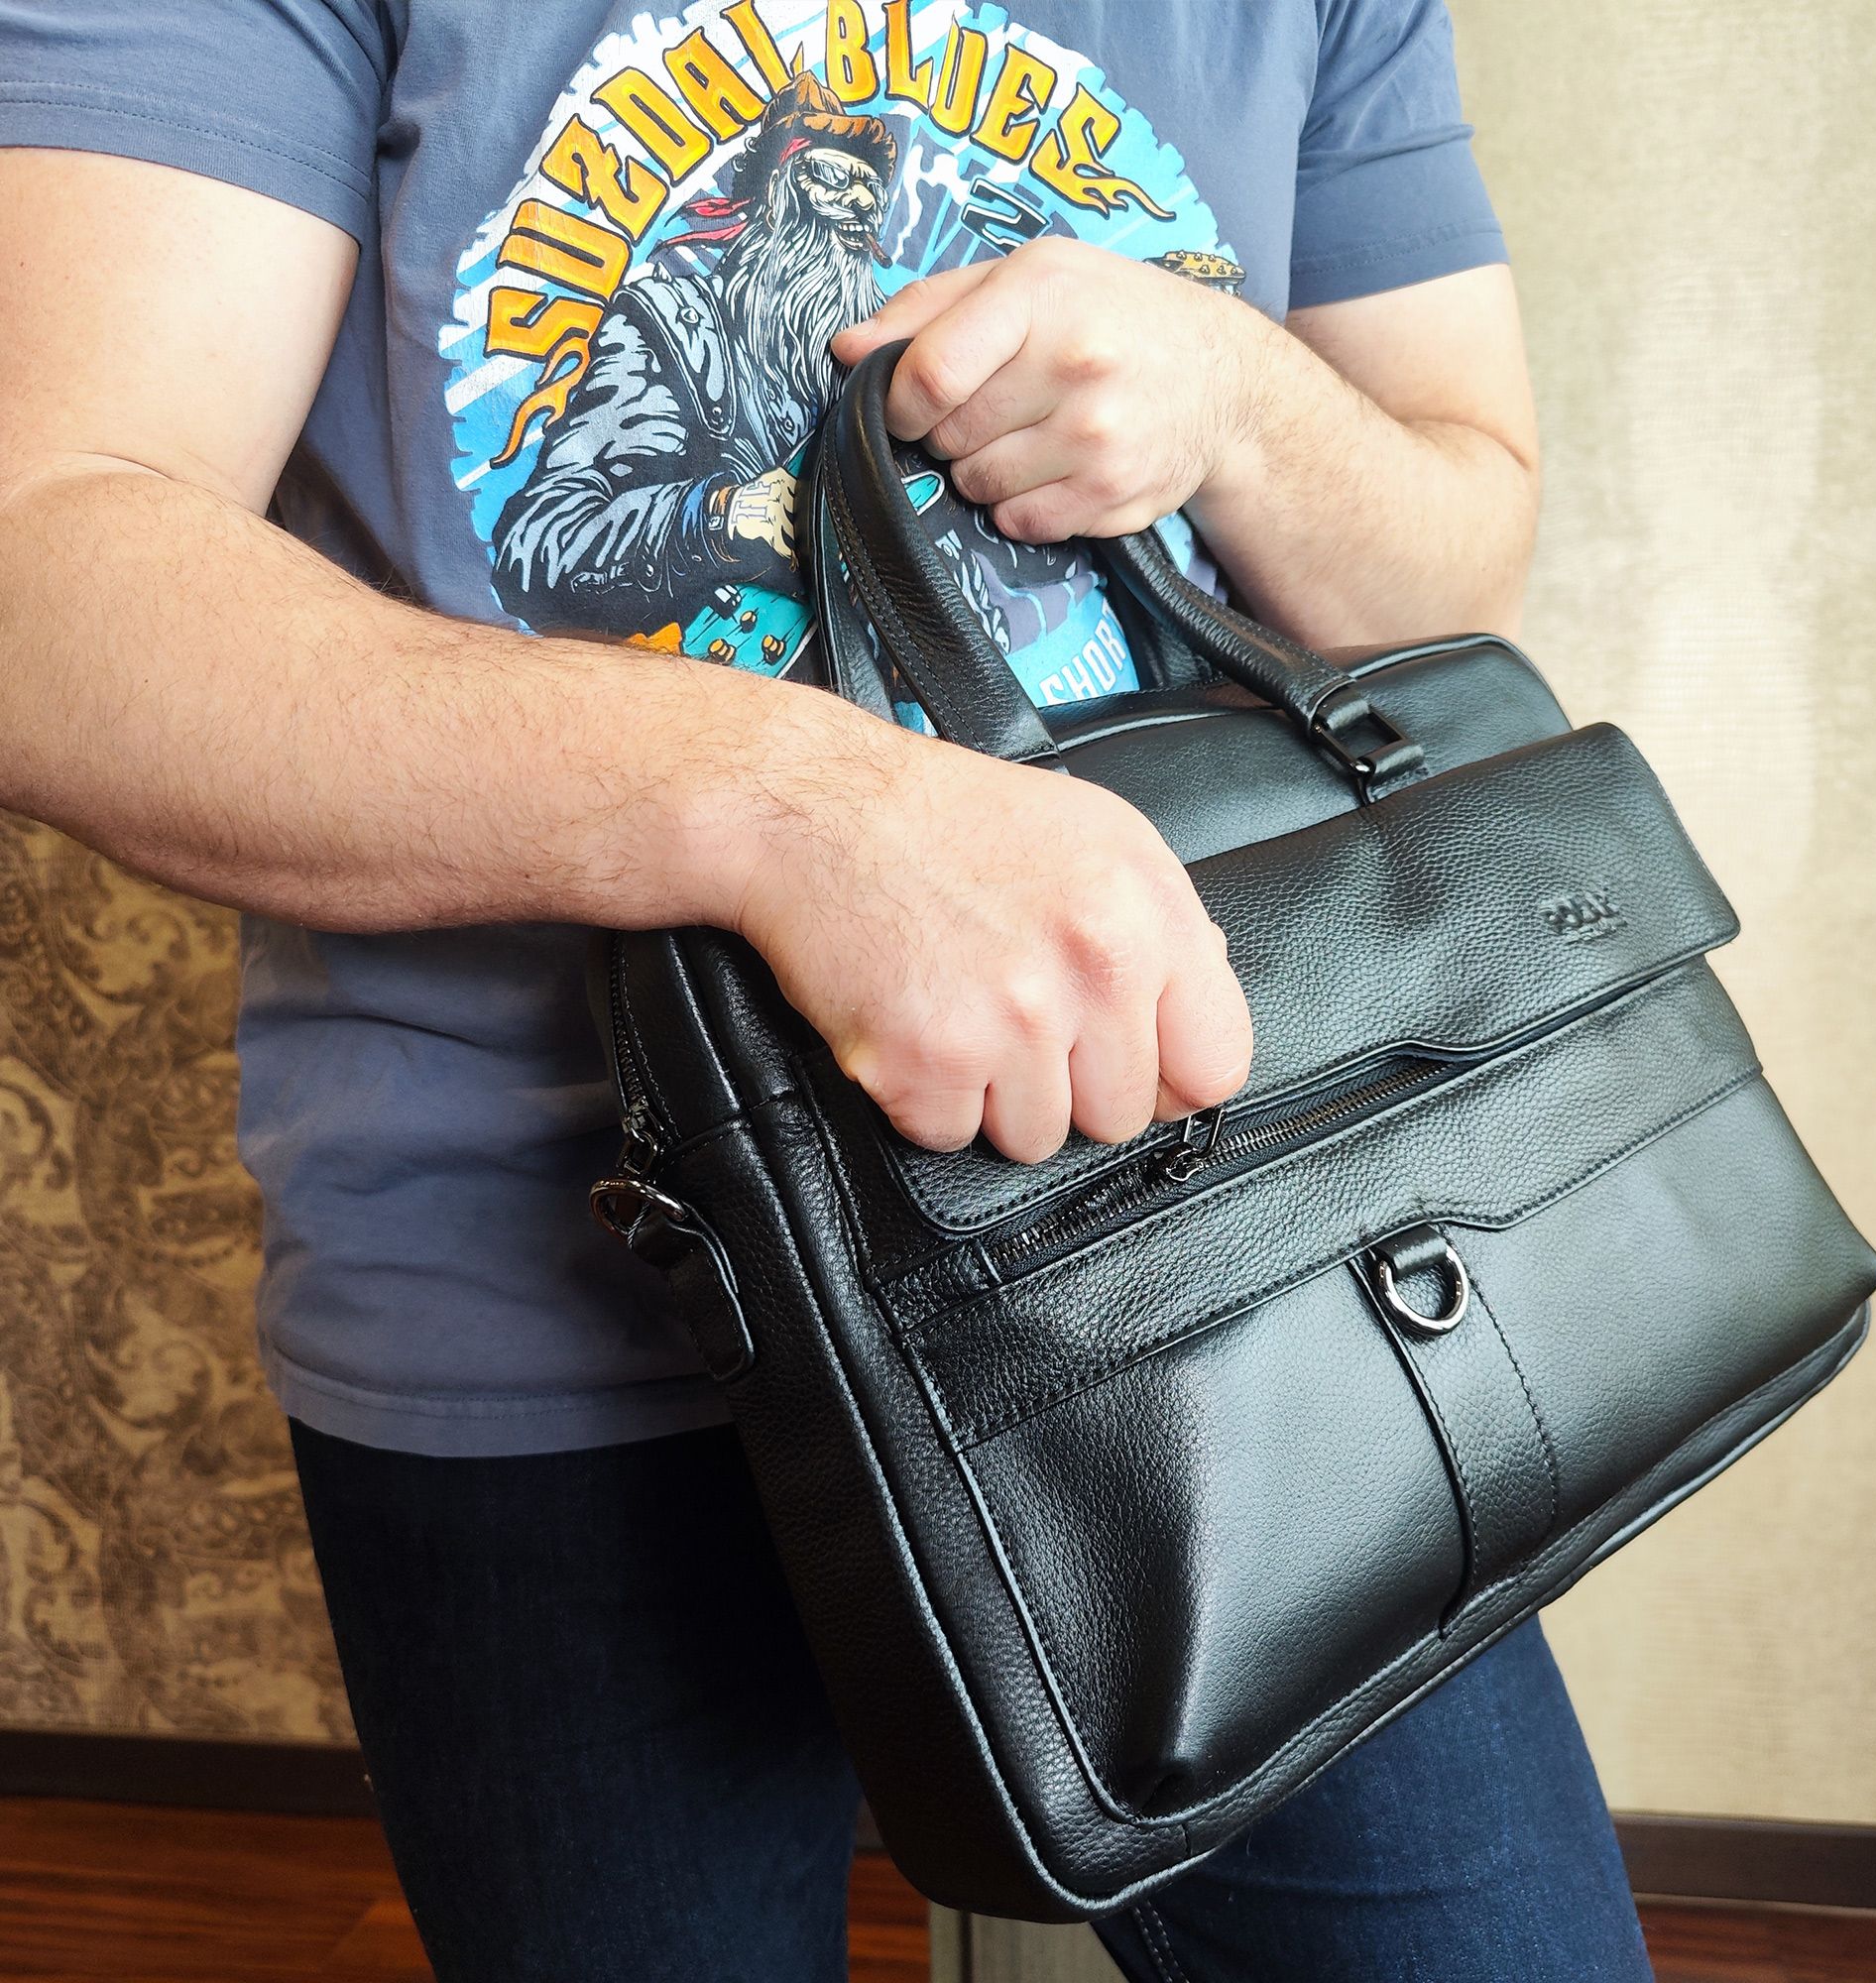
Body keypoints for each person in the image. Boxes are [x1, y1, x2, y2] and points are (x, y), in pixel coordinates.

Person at [0, 3, 1653, 1977]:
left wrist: (1231, 396)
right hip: (565, 1295)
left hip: (1241, 1229)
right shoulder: (668, 317)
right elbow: (43, 572)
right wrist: (795, 808)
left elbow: (1455, 573)